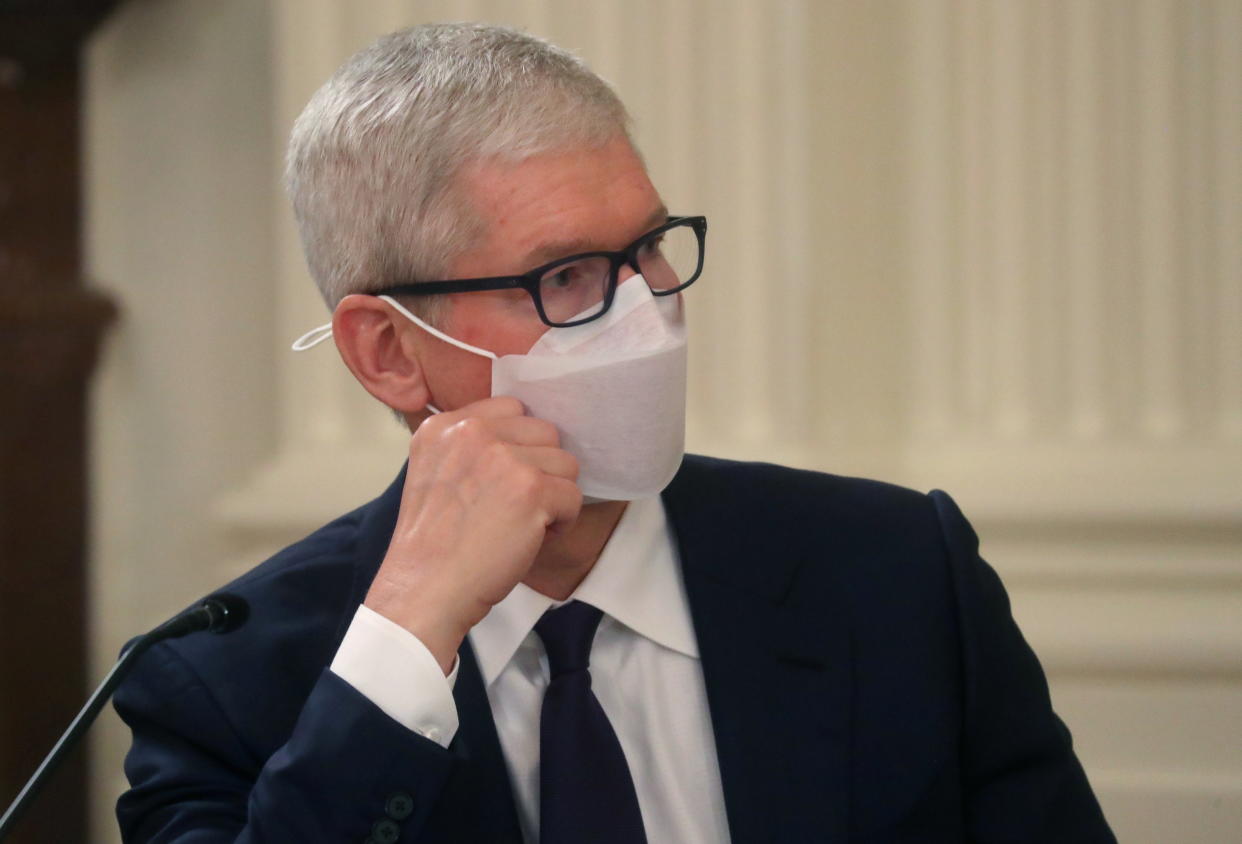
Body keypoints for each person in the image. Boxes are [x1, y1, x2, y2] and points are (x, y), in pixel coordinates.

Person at [114, 22, 1115, 844]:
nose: (648, 310)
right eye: (567, 277)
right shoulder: (223, 689)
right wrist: (410, 631)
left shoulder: (896, 575)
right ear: (388, 351)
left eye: (649, 248)